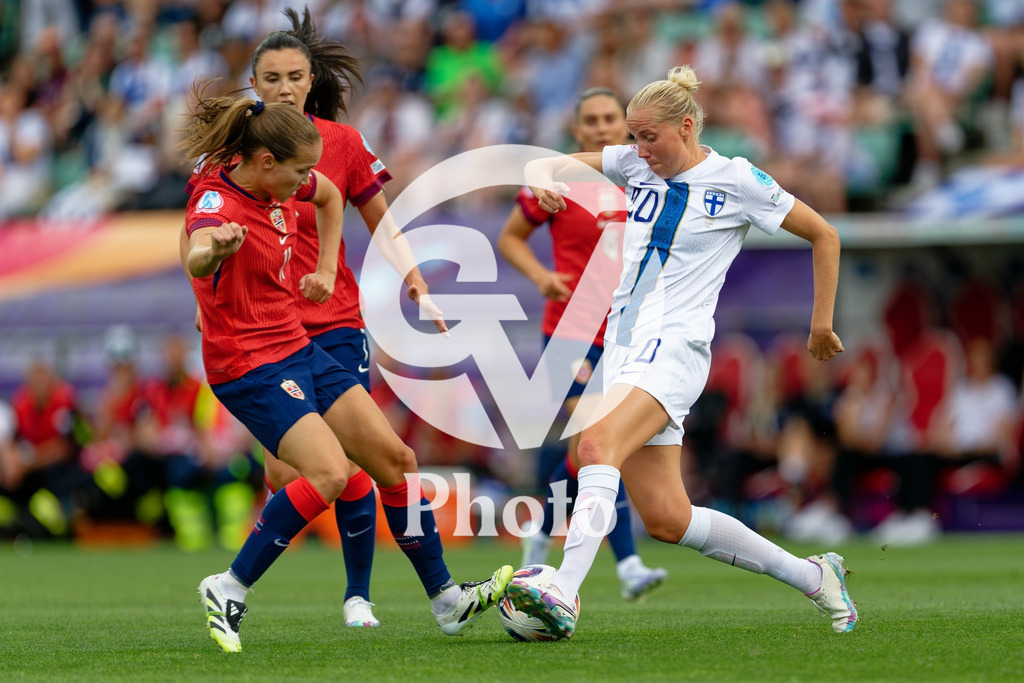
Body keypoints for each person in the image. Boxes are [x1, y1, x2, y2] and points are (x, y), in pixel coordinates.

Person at [506, 66, 857, 639]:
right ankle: (815, 576)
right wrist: (543, 175)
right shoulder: (631, 163)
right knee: (668, 518)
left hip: (675, 348)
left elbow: (825, 234)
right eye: (633, 137)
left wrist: (821, 324)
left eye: (649, 137)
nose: (636, 151)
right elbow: (549, 163)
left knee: (593, 444)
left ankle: (562, 591)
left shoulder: (738, 179)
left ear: (687, 126)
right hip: (623, 349)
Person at [180, 91, 511, 653]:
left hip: (297, 345)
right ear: (264, 164)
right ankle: (229, 585)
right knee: (329, 474)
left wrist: (329, 267)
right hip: (247, 362)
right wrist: (213, 253)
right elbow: (197, 250)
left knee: (395, 460)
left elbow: (332, 196)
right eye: (298, 171)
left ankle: (446, 600)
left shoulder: (285, 180)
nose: (306, 181)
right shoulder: (217, 203)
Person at [242, 7, 448, 630]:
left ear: (310, 81)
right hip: (267, 328)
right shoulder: (239, 148)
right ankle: (236, 583)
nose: (283, 87)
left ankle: (359, 595)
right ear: (255, 84)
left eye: (294, 76)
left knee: (362, 456)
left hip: (331, 322)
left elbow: (380, 219)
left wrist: (413, 276)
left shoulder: (341, 144)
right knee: (293, 469)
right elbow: (204, 222)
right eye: (271, 77)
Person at [497, 86, 667, 600]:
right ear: (577, 131)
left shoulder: (646, 181)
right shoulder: (559, 183)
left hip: (626, 333)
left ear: (626, 126)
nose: (599, 126)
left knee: (582, 453)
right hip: (569, 331)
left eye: (608, 118)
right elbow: (510, 238)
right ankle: (629, 564)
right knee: (599, 440)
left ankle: (538, 533)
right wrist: (541, 276)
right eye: (589, 119)